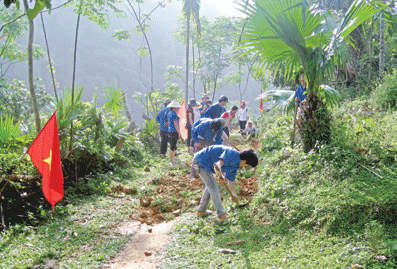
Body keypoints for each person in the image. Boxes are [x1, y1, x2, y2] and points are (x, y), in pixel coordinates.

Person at [192, 145, 259, 221]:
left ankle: (201, 211)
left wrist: (233, 194)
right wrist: (220, 175)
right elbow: (218, 164)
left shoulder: (235, 165)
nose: (245, 166)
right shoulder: (231, 153)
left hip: (206, 165)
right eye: (247, 165)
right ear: (244, 161)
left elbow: (230, 180)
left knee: (210, 186)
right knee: (213, 187)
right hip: (200, 161)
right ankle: (221, 215)